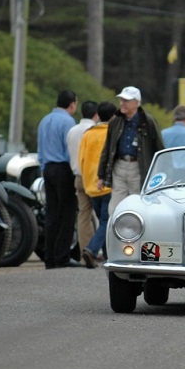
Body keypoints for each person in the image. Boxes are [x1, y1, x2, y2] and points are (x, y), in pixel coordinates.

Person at [97, 86, 165, 215]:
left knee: (138, 203)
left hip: (139, 167)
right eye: (121, 100)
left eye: (126, 100)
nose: (122, 103)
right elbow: (107, 148)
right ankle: (115, 233)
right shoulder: (115, 121)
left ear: (137, 103)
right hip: (119, 166)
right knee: (114, 207)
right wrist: (101, 175)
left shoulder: (148, 122)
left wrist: (161, 174)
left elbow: (159, 148)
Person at [37, 89, 80, 269]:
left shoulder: (44, 120)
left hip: (47, 168)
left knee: (52, 214)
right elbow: (70, 147)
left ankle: (49, 258)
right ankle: (62, 256)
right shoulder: (68, 121)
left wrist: (43, 168)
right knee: (67, 214)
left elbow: (39, 148)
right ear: (72, 104)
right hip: (63, 168)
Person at [79, 101, 116, 269]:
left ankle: (108, 256)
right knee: (106, 221)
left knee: (102, 221)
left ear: (98, 115)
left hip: (91, 186)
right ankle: (92, 250)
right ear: (113, 116)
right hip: (109, 185)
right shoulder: (113, 133)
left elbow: (82, 159)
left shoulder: (88, 134)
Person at [67, 100, 97, 257]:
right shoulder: (94, 130)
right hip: (93, 177)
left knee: (83, 215)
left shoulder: (72, 131)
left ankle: (85, 250)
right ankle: (97, 249)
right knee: (102, 214)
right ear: (96, 114)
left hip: (78, 176)